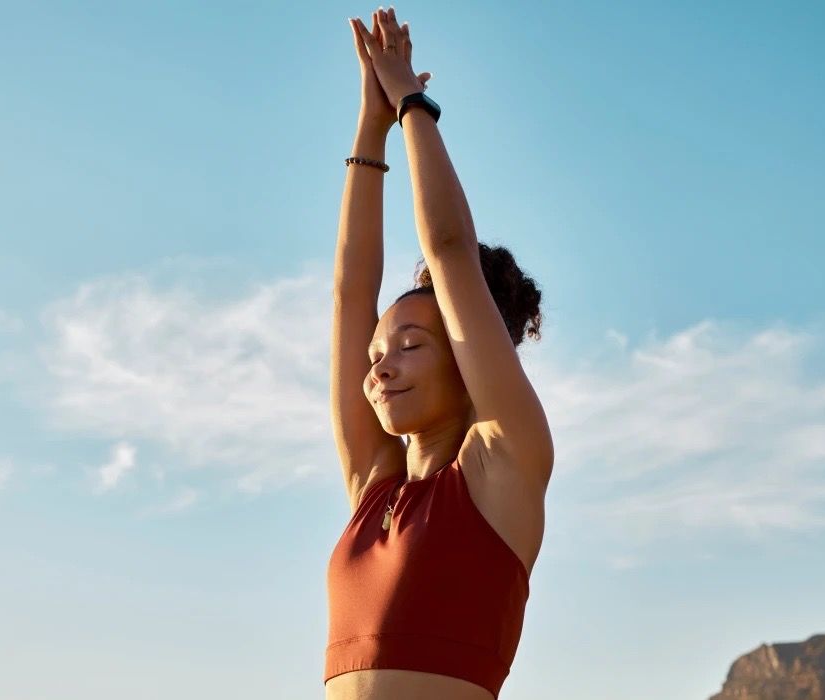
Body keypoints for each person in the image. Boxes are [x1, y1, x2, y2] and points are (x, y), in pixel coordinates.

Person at [325, 6, 554, 699]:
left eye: (411, 345)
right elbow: (348, 296)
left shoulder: (504, 464)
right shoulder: (373, 487)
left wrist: (411, 107)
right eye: (377, 354)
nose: (379, 368)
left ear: (466, 353)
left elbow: (449, 252)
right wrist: (369, 127)